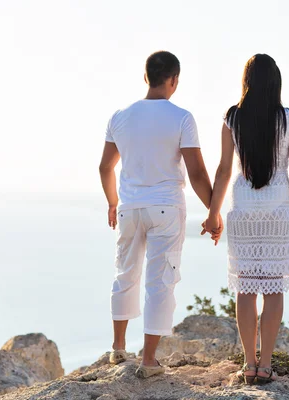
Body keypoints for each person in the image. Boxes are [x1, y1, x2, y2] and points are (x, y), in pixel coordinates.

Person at [99, 51, 221, 379]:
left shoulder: (120, 116)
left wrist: (113, 201)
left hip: (128, 208)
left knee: (125, 273)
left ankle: (118, 347)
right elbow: (196, 171)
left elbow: (105, 166)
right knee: (160, 282)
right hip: (166, 207)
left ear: (145, 77)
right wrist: (213, 211)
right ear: (174, 80)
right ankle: (149, 361)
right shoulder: (181, 117)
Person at [203, 54, 289, 384]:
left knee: (245, 288)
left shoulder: (232, 118)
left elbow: (222, 170)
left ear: (246, 82)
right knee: (274, 289)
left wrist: (213, 212)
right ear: (276, 82)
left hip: (243, 208)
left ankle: (249, 364)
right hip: (277, 208)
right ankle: (266, 365)